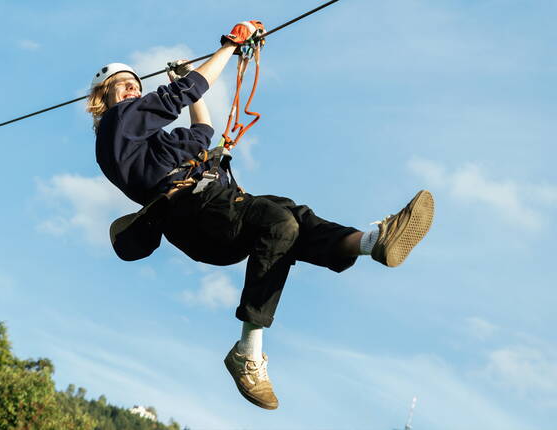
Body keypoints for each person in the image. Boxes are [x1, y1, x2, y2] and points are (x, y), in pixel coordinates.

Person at [87, 21, 434, 410]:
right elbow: (180, 95)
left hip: (213, 208)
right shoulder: (117, 125)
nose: (134, 87)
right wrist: (229, 47)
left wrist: (188, 76)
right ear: (105, 95)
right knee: (277, 221)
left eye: (136, 82)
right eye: (123, 83)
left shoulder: (152, 143)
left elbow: (202, 130)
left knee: (291, 215)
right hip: (191, 211)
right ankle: (248, 352)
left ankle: (371, 242)